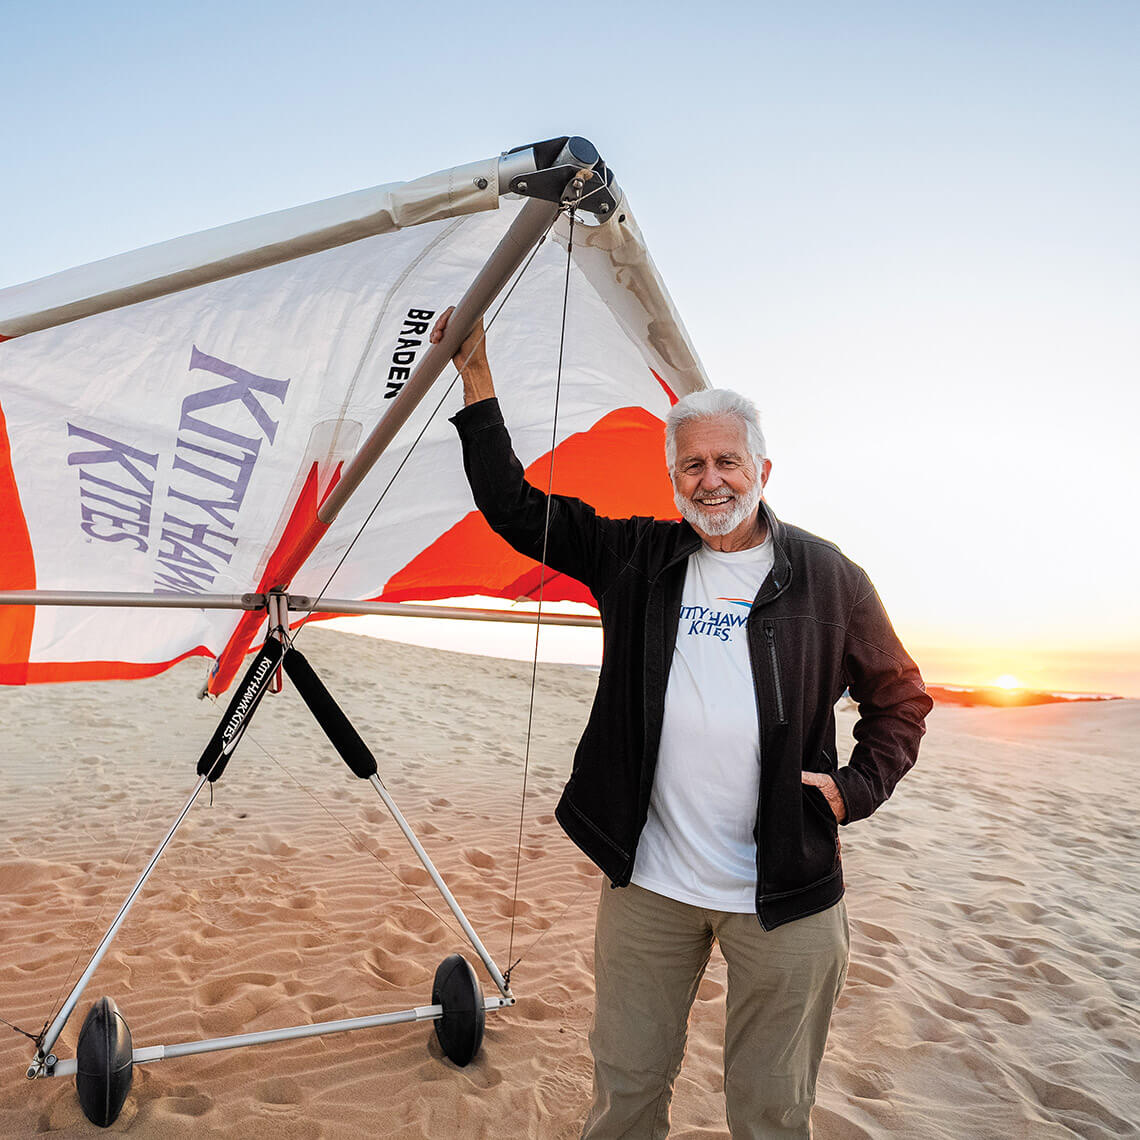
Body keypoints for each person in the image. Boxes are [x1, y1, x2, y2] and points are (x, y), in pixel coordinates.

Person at [432, 309, 932, 1139]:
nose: (711, 481)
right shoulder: (638, 557)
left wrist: (857, 788)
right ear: (673, 478)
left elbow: (901, 698)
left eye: (727, 461)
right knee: (625, 1090)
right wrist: (475, 376)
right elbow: (516, 510)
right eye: (692, 464)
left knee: (771, 1109)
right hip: (651, 886)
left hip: (787, 890)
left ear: (762, 468)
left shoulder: (829, 577)